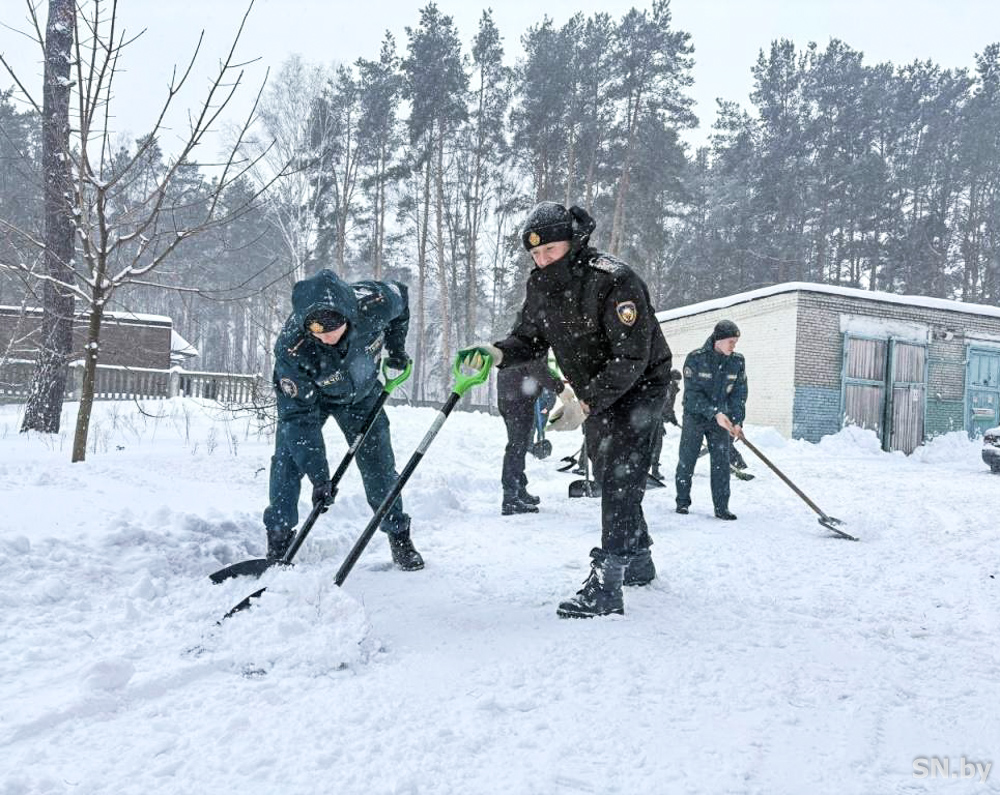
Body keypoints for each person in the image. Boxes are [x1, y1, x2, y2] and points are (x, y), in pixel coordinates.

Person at [462, 201, 673, 619]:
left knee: (620, 471)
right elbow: (529, 340)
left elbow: (631, 356)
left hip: (641, 384)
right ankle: (639, 557)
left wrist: (586, 402)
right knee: (606, 464)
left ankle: (608, 585)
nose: (542, 260)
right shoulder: (540, 286)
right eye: (535, 253)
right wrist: (497, 352)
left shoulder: (614, 280)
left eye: (550, 250)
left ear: (573, 242)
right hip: (596, 387)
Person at [264, 269, 423, 571]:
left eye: (333, 328)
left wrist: (396, 348)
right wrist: (320, 477)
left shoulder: (375, 303)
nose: (326, 337)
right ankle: (279, 540)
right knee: (288, 461)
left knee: (379, 466)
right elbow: (297, 418)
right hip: (312, 399)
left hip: (362, 395)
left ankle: (399, 536)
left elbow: (401, 297)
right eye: (317, 331)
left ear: (348, 315)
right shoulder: (292, 348)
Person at [674, 320, 748, 520]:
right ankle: (682, 501)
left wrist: (737, 421)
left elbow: (739, 394)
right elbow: (692, 395)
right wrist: (715, 412)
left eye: (735, 342)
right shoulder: (696, 358)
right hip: (695, 417)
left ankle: (722, 507)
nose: (733, 346)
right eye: (731, 341)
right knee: (687, 459)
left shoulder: (737, 361)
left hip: (721, 420)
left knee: (721, 464)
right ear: (718, 340)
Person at [497, 354, 564, 515]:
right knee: (516, 447)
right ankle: (510, 498)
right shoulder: (532, 343)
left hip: (510, 396)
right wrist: (560, 387)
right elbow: (537, 369)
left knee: (519, 446)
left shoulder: (517, 343)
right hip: (517, 399)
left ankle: (519, 490)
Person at [649, 368, 681, 480]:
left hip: (655, 418)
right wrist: (671, 418)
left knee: (653, 444)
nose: (678, 383)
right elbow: (665, 406)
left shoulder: (668, 387)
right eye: (677, 380)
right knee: (656, 444)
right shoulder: (669, 388)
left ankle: (648, 469)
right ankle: (654, 471)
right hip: (655, 418)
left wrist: (670, 418)